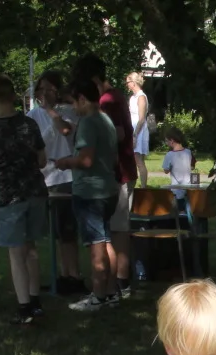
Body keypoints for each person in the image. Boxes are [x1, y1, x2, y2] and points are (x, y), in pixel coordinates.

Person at [0, 73, 49, 325]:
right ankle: (35, 301)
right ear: (14, 96)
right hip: (35, 191)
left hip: (8, 195)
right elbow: (42, 160)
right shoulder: (29, 125)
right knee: (31, 248)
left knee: (16, 253)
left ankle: (24, 307)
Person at [73, 54, 137, 298]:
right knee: (109, 233)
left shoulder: (108, 100)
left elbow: (118, 134)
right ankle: (114, 285)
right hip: (114, 173)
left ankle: (119, 282)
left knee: (115, 231)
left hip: (117, 173)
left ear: (94, 79)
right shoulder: (112, 97)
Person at [56, 79, 120, 311]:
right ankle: (111, 292)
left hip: (91, 193)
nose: (73, 108)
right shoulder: (106, 120)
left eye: (74, 102)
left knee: (95, 245)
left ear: (83, 99)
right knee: (106, 241)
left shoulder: (88, 122)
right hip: (108, 189)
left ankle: (98, 296)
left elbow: (85, 160)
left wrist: (65, 162)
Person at [28, 70, 85, 295]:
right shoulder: (32, 116)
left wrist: (51, 110)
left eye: (50, 89)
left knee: (67, 231)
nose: (45, 93)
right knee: (56, 232)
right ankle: (63, 274)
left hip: (66, 176)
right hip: (45, 176)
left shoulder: (67, 111)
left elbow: (65, 130)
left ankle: (74, 275)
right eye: (41, 89)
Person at [127, 71, 150, 186]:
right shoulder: (133, 97)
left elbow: (141, 119)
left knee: (139, 161)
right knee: (132, 160)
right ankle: (133, 185)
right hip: (133, 129)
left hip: (139, 131)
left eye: (128, 82)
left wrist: (135, 135)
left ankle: (144, 187)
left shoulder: (141, 97)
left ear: (134, 82)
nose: (127, 84)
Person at [161, 127, 193, 203]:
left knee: (177, 206)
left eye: (167, 141)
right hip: (188, 188)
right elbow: (192, 166)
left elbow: (166, 170)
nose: (166, 143)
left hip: (176, 189)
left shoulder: (169, 155)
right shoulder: (188, 152)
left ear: (172, 140)